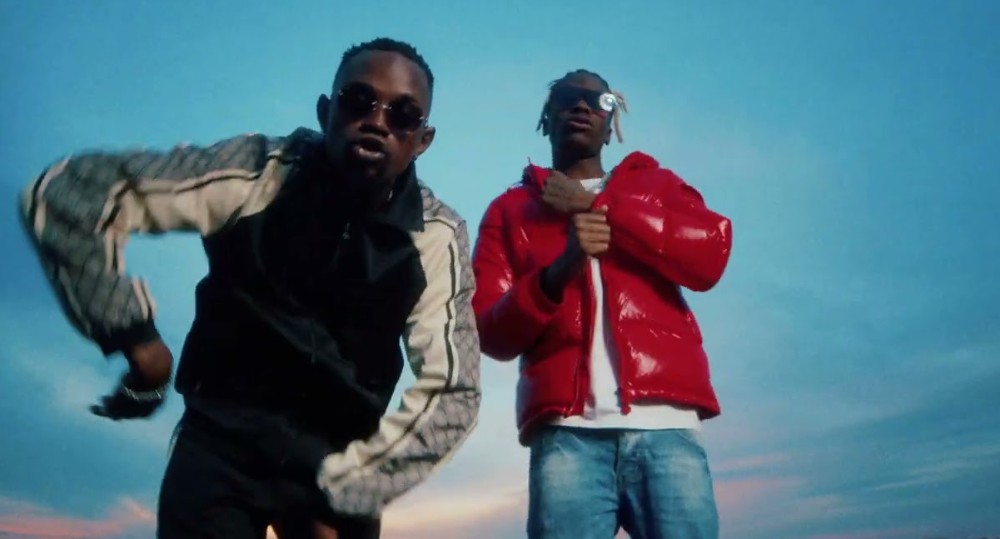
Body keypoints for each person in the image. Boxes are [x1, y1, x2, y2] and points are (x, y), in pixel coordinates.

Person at [18, 37, 481, 538]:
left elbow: (455, 389)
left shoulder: (436, 236)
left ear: (422, 140)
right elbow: (67, 193)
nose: (377, 121)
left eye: (403, 115)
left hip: (341, 460)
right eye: (358, 101)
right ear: (326, 111)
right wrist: (137, 340)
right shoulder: (258, 170)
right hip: (220, 444)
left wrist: (358, 486)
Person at [471, 69, 733, 538]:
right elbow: (490, 332)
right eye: (567, 96)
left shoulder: (658, 186)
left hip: (667, 427)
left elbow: (709, 255)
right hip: (565, 436)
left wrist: (596, 208)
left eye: (601, 101)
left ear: (611, 126)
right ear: (545, 120)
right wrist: (555, 275)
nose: (583, 105)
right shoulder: (509, 211)